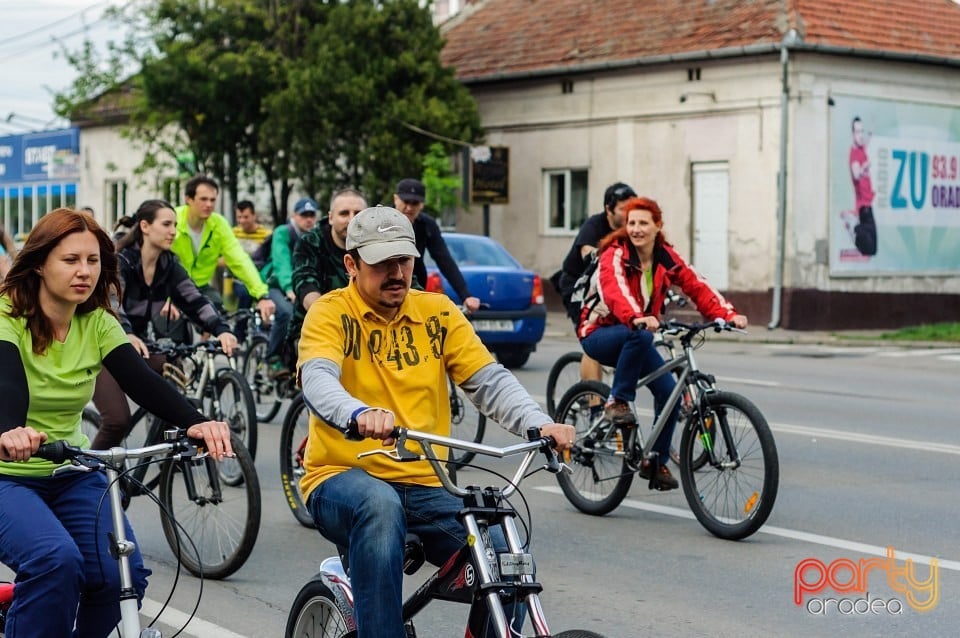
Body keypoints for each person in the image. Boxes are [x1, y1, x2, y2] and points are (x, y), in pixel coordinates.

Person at [297, 205, 575, 638]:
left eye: (403, 260)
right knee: (379, 505)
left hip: (428, 485)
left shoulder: (438, 312)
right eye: (381, 262)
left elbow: (488, 380)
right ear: (351, 264)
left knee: (508, 566)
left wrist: (539, 424)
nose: (396, 272)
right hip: (342, 477)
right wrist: (356, 413)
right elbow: (317, 379)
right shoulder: (331, 314)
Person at [0, 208, 234, 638]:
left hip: (70, 469)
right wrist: (10, 430)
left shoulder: (98, 323)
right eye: (70, 260)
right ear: (39, 263)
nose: (84, 271)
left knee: (119, 576)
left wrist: (198, 422)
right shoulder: (7, 316)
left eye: (92, 261)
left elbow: (142, 382)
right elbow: (7, 383)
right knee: (56, 562)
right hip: (7, 475)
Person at [576, 196, 747, 490]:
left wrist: (726, 315)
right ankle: (617, 401)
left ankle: (655, 461)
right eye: (631, 223)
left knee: (670, 393)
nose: (636, 229)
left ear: (657, 226)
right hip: (599, 333)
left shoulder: (665, 255)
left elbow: (696, 284)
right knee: (641, 334)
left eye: (643, 223)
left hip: (636, 335)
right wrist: (636, 317)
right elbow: (614, 289)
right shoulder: (614, 253)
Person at [91, 199, 239, 450]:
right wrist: (126, 333)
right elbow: (112, 302)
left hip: (138, 345)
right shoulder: (121, 261)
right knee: (117, 420)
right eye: (167, 224)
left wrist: (221, 329)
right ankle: (89, 477)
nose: (173, 231)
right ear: (145, 227)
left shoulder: (168, 265)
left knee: (172, 370)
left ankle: (168, 448)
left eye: (175, 225)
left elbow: (195, 300)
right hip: (103, 347)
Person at [557, 182, 637, 391]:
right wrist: (604, 257)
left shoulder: (631, 229)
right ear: (609, 209)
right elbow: (586, 251)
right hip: (578, 286)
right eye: (623, 209)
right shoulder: (595, 224)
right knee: (593, 338)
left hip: (606, 288)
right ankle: (594, 407)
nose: (629, 213)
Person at [170, 175, 276, 323]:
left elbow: (239, 259)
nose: (209, 204)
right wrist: (166, 298)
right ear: (189, 199)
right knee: (174, 336)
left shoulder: (219, 224)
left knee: (219, 320)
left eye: (212, 200)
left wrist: (262, 295)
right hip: (170, 288)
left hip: (200, 287)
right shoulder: (172, 220)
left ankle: (206, 341)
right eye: (203, 199)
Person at [288, 187, 366, 353]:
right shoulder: (310, 242)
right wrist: (333, 318)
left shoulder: (377, 244)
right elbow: (305, 284)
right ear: (330, 217)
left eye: (358, 213)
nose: (352, 220)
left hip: (368, 328)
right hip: (314, 327)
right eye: (344, 213)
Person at [392, 178, 480, 313]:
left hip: (415, 283)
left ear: (422, 205)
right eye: (405, 202)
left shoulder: (427, 225)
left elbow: (444, 260)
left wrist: (465, 295)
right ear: (396, 199)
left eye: (414, 203)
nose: (409, 208)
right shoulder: (380, 220)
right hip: (386, 279)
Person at [258, 196, 318, 377]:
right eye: (304, 215)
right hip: (276, 284)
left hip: (300, 287)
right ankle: (273, 359)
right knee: (286, 312)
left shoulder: (315, 236)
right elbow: (281, 261)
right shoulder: (283, 232)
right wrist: (289, 288)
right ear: (294, 216)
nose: (308, 219)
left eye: (312, 215)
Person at [844, 116, 878, 256]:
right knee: (871, 249)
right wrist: (865, 167)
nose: (861, 135)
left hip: (867, 204)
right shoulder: (854, 156)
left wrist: (870, 132)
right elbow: (856, 174)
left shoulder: (861, 148)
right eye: (858, 132)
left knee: (872, 248)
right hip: (863, 207)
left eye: (862, 131)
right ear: (853, 133)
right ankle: (854, 226)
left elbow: (867, 143)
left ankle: (855, 227)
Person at [231, 200, 271, 309]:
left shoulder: (267, 235)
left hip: (261, 277)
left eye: (245, 217)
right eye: (239, 217)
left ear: (254, 216)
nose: (242, 221)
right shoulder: (232, 233)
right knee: (245, 295)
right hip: (240, 279)